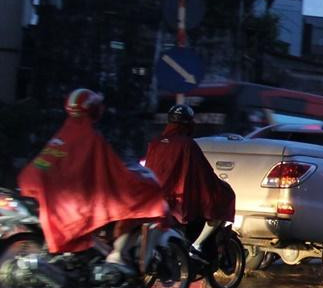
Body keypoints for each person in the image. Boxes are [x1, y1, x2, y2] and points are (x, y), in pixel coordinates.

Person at [17, 89, 167, 275]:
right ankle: (117, 255)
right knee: (142, 202)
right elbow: (110, 170)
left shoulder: (63, 134)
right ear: (94, 110)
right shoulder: (90, 138)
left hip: (42, 191)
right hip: (73, 198)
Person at [144, 103, 236, 259]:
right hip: (178, 199)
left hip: (153, 197)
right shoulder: (187, 144)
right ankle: (197, 245)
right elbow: (203, 173)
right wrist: (220, 186)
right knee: (222, 201)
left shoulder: (155, 142)